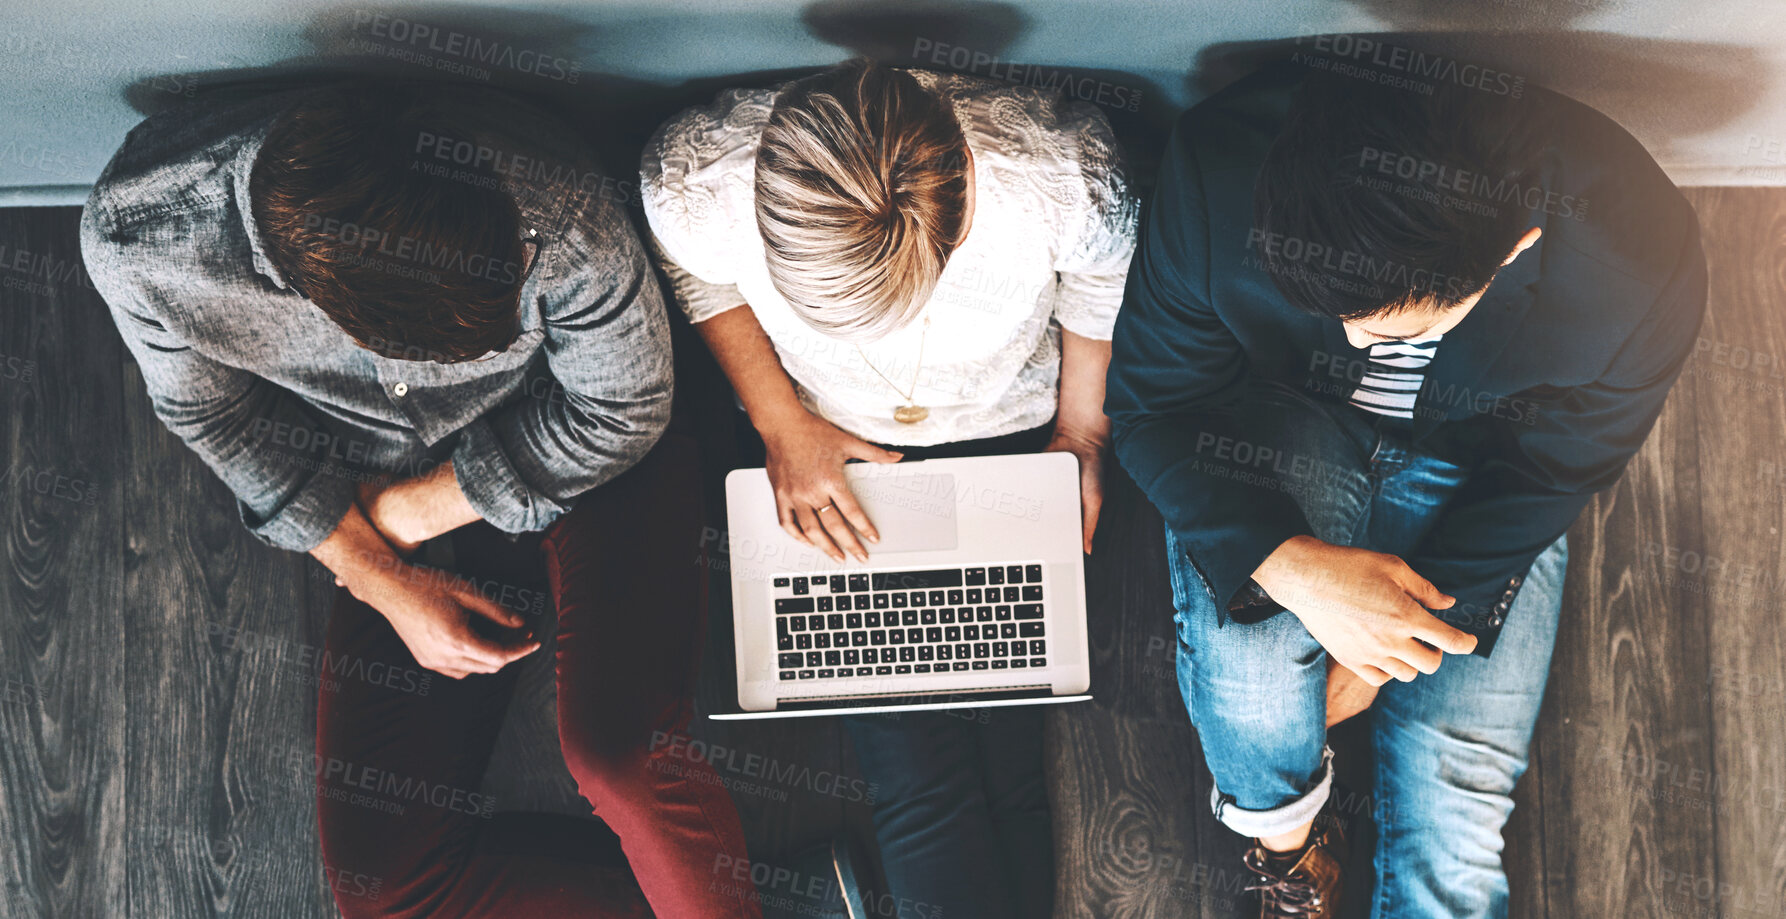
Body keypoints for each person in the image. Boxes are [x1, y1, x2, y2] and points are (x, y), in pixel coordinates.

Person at [80, 81, 760, 919]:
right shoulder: (141, 242)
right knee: (384, 891)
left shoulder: (552, 206)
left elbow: (622, 407)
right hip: (385, 487)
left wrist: (407, 514)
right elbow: (205, 409)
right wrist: (378, 576)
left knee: (618, 759)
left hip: (581, 443)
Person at [1106, 58, 1706, 918]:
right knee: (1255, 684)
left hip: (1481, 475)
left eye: (1393, 324)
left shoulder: (1642, 260)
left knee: (1455, 823)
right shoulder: (1219, 165)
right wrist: (1295, 564)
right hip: (1287, 424)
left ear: (1515, 248)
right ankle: (1293, 859)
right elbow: (1151, 405)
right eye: (1336, 310)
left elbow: (1559, 466)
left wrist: (1382, 652)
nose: (1354, 339)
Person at [641, 58, 1138, 919]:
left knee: (1007, 730)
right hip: (829, 448)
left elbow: (1101, 276)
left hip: (1012, 430)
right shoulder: (695, 182)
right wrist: (780, 424)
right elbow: (699, 276)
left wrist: (1082, 431)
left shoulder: (1062, 176)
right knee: (920, 761)